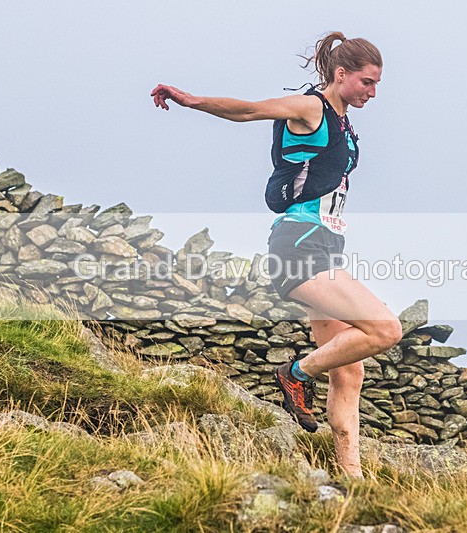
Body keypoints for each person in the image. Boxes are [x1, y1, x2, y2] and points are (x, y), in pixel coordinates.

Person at [151, 31, 402, 479]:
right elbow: (248, 109)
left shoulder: (343, 120)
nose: (374, 92)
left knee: (349, 371)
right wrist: (191, 101)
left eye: (377, 84)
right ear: (341, 74)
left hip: (326, 246)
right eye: (367, 82)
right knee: (385, 328)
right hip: (299, 245)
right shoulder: (311, 108)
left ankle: (353, 476)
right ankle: (295, 374)